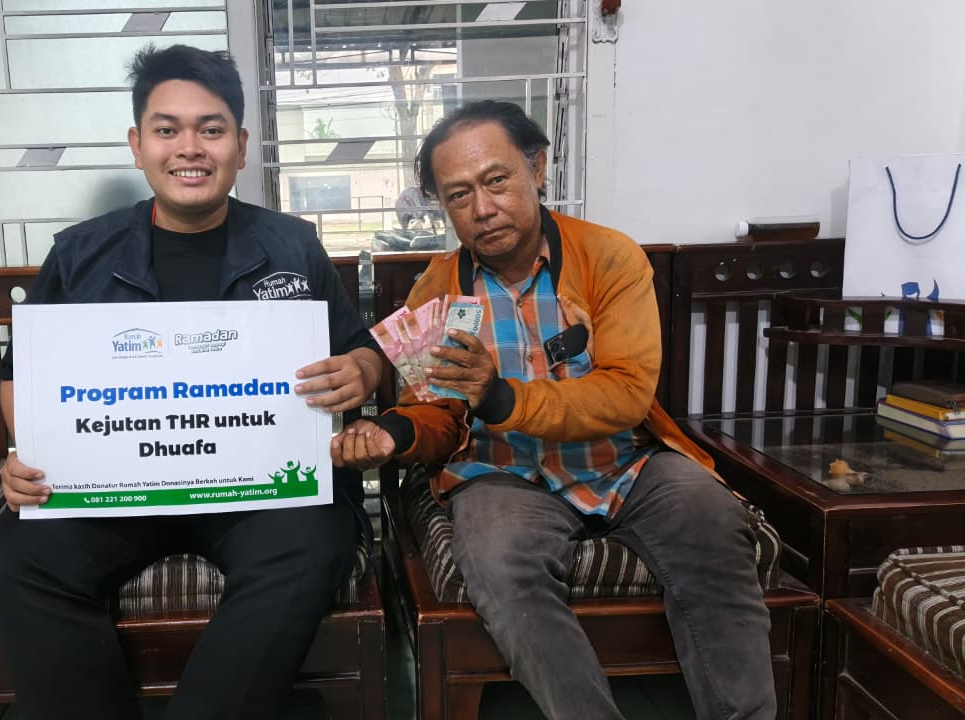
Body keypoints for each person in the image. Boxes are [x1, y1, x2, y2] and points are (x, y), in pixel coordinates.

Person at [332, 100, 775, 719]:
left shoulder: (610, 258)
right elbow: (438, 414)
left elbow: (626, 392)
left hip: (623, 462)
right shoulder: (439, 288)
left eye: (497, 180)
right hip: (499, 471)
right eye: (458, 195)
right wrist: (393, 434)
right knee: (499, 560)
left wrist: (501, 396)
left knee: (711, 517)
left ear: (537, 169)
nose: (482, 208)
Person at [0, 45, 384, 720]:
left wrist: (361, 371)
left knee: (316, 539)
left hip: (258, 493)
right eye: (167, 129)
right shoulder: (80, 253)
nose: (189, 148)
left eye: (211, 129)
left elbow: (358, 348)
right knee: (22, 562)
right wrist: (33, 454)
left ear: (241, 146)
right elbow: (20, 375)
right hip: (116, 490)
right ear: (138, 145)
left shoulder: (292, 246)